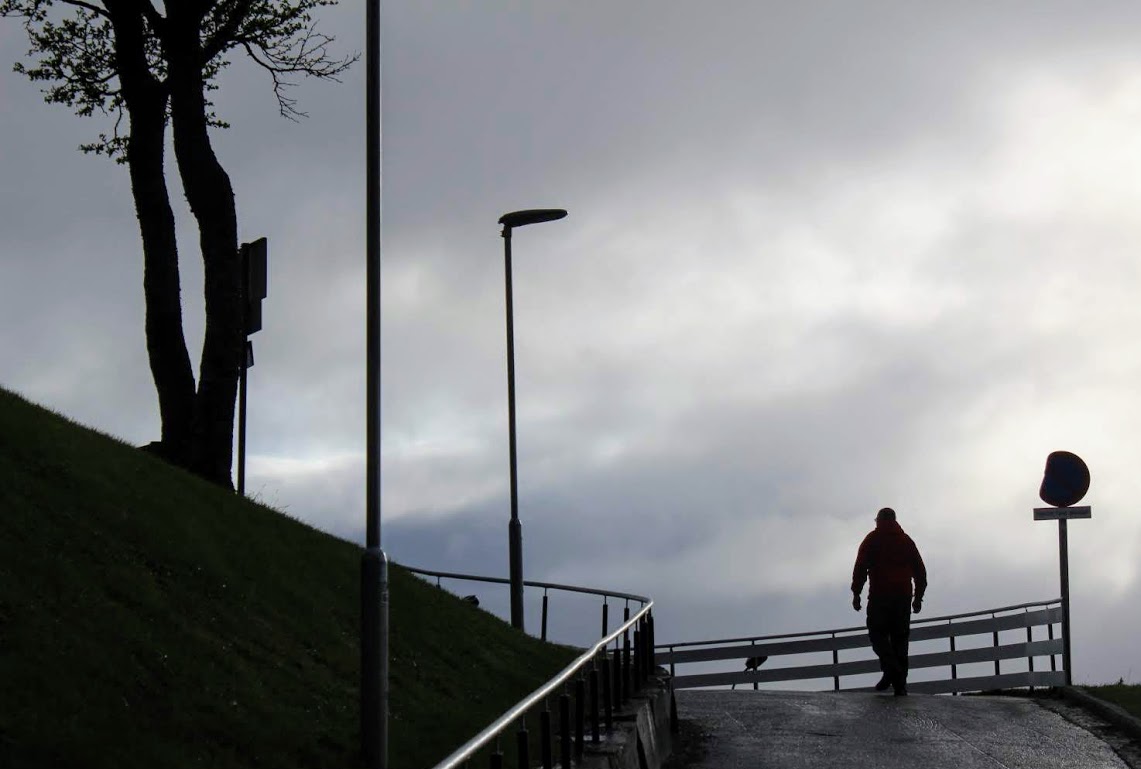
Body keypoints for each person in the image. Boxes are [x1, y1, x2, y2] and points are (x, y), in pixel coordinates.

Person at [851, 507, 927, 696]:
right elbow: (920, 572)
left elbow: (860, 567)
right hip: (902, 598)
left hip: (879, 597)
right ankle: (899, 683)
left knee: (877, 636)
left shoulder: (872, 540)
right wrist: (917, 598)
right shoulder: (906, 541)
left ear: (878, 521)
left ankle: (892, 670)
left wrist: (856, 593)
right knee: (900, 640)